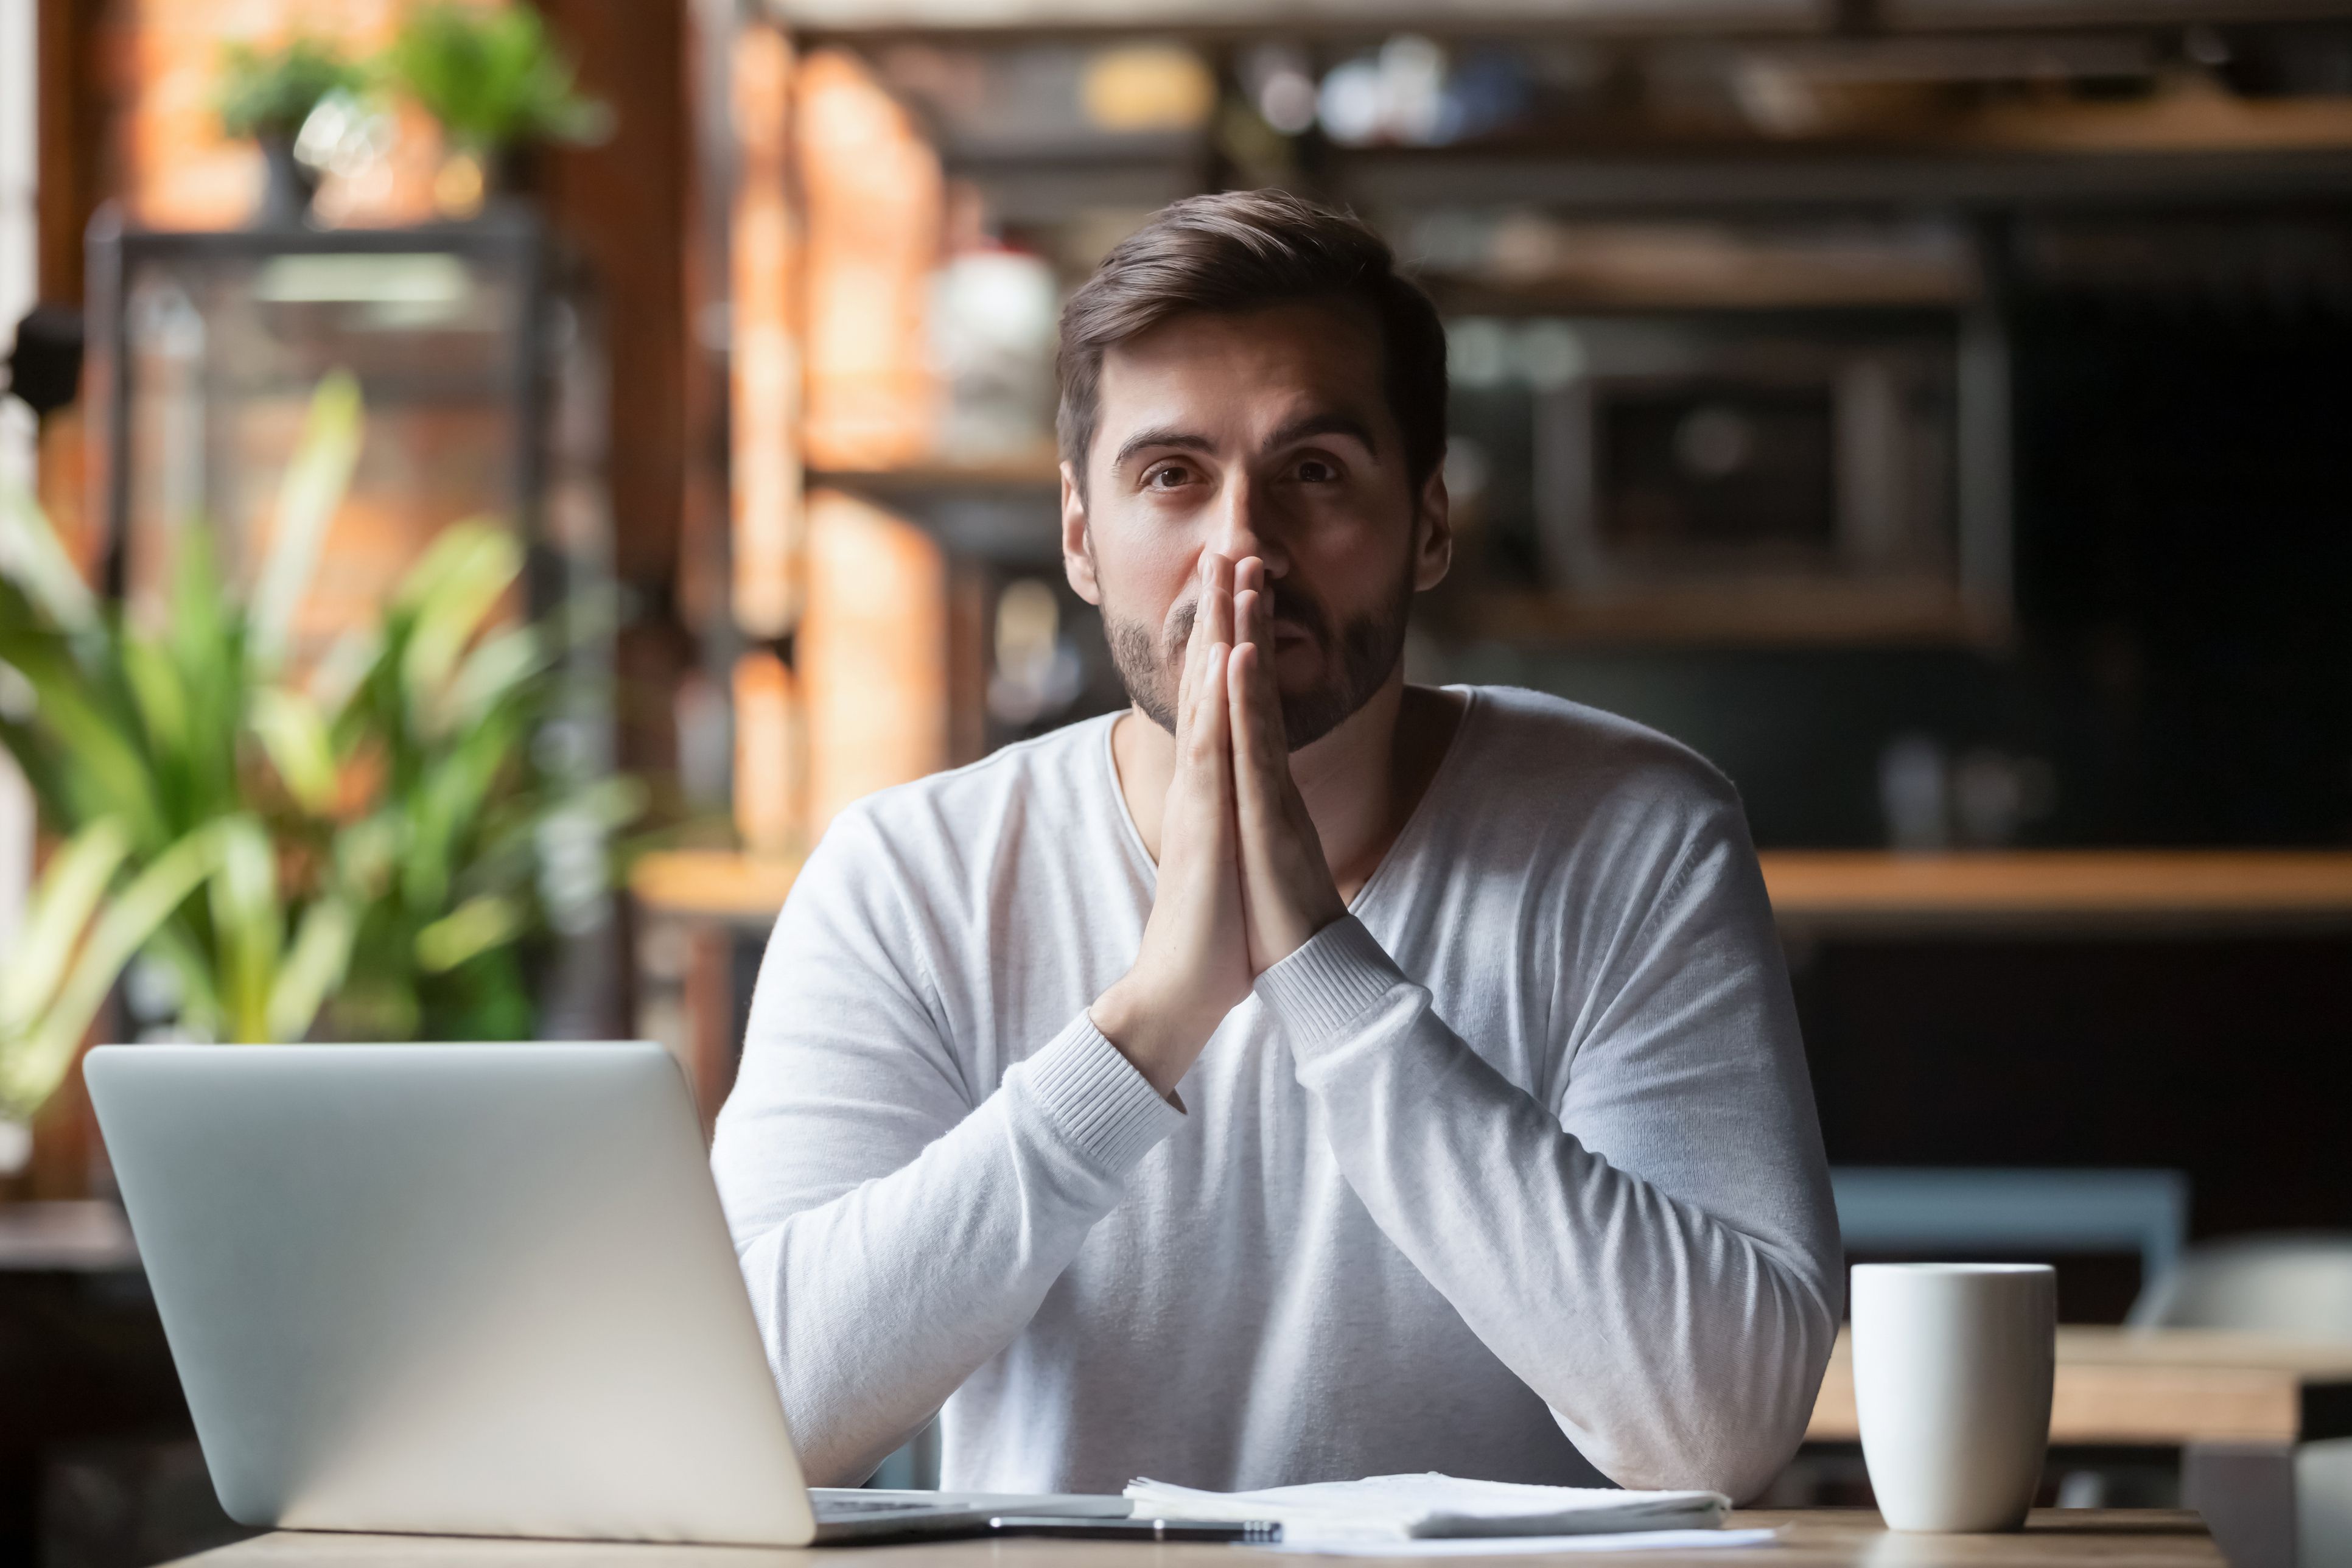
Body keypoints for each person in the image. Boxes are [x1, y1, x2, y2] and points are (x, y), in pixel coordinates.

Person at [710, 189, 1840, 1503]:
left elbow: (1727, 1429)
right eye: (1171, 475)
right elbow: (748, 1416)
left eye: (1314, 473)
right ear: (1081, 535)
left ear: (1427, 524)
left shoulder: (1633, 834)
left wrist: (1323, 965)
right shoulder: (911, 880)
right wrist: (1147, 1026)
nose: (1242, 544)